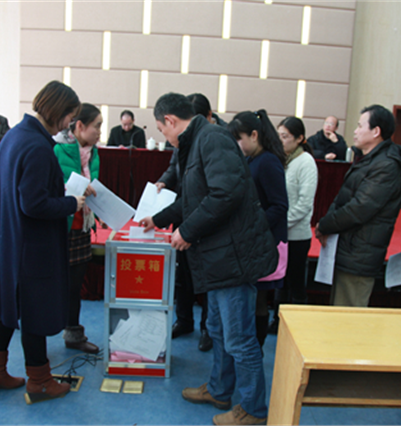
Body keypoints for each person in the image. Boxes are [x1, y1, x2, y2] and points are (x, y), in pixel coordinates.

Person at [139, 93, 277, 425]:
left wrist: (186, 231)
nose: (164, 137)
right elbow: (192, 198)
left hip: (233, 258)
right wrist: (157, 219)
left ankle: (254, 410)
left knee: (239, 338)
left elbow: (226, 193)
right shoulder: (195, 142)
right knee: (217, 329)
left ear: (170, 120)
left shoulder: (212, 139)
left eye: (161, 130)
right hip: (218, 257)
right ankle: (219, 389)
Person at [0, 81, 86, 403]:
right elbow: (34, 204)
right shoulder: (38, 147)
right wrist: (71, 203)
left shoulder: (14, 135)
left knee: (11, 307)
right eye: (69, 117)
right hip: (33, 244)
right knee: (34, 312)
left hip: (11, 240)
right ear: (58, 112)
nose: (68, 125)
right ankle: (39, 381)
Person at [316, 105, 401, 307]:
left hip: (360, 253)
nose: (355, 131)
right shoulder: (369, 159)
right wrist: (327, 223)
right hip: (348, 247)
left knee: (348, 312)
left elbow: (359, 209)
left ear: (376, 131)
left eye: (360, 126)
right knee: (338, 309)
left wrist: (325, 225)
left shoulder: (386, 165)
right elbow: (342, 197)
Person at [156, 93, 218, 352]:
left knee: (207, 277)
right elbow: (174, 168)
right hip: (183, 212)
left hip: (205, 220)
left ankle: (207, 327)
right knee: (181, 273)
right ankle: (184, 320)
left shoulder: (214, 139)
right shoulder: (182, 139)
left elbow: (218, 195)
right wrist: (163, 182)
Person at [228, 109, 288, 353]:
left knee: (259, 300)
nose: (237, 145)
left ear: (254, 135)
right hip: (254, 239)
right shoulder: (253, 159)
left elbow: (280, 206)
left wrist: (252, 226)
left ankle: (256, 349)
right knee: (252, 299)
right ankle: (251, 347)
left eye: (239, 139)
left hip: (265, 242)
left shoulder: (268, 162)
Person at [53, 103, 103, 354]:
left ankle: (73, 333)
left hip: (82, 226)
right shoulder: (57, 149)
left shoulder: (93, 153)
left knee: (75, 285)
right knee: (56, 285)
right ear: (80, 126)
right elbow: (52, 187)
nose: (100, 132)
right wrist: (75, 188)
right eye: (97, 126)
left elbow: (94, 186)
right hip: (61, 226)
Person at [269, 117, 318, 334]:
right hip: (281, 233)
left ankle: (297, 327)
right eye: (278, 135)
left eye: (285, 136)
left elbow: (304, 205)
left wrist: (280, 222)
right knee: (280, 279)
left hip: (297, 235)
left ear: (299, 138)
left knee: (295, 282)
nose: (280, 141)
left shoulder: (306, 162)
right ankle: (277, 320)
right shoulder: (282, 159)